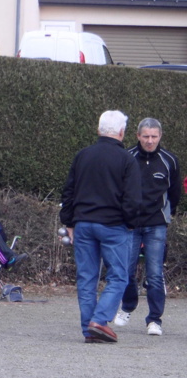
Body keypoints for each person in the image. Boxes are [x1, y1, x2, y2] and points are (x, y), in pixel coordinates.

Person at [60, 110, 142, 344]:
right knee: (118, 277)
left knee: (87, 278)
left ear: (98, 130)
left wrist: (69, 221)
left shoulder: (82, 156)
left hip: (84, 224)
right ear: (122, 132)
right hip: (113, 226)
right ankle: (99, 320)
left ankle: (89, 330)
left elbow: (69, 192)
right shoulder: (127, 160)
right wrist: (129, 223)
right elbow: (133, 199)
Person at [112, 118, 181, 336]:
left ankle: (154, 320)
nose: (150, 141)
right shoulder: (127, 157)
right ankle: (128, 306)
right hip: (130, 224)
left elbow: (175, 193)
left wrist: (165, 214)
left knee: (155, 273)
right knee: (126, 270)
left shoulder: (170, 160)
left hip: (156, 224)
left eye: (154, 137)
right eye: (146, 136)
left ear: (160, 137)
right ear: (138, 136)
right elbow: (118, 188)